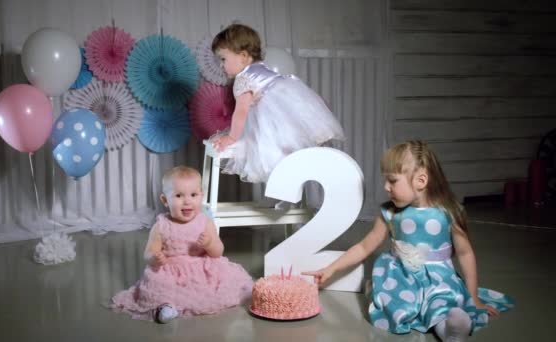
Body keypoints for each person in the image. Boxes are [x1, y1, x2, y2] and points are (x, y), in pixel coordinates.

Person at [302, 140, 514, 341]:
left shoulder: (448, 212)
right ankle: (390, 297)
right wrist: (331, 269)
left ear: (421, 181)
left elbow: (466, 253)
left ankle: (451, 328)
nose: (386, 187)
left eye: (392, 180)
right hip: (400, 277)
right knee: (393, 304)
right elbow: (365, 246)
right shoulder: (390, 213)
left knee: (441, 304)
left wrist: (474, 296)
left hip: (438, 279)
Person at [111, 166, 253, 323]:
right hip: (172, 270)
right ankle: (166, 307)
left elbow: (218, 252)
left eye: (193, 195)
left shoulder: (205, 222)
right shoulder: (161, 226)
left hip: (202, 267)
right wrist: (155, 258)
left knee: (220, 279)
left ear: (201, 196)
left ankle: (231, 293)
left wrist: (209, 244)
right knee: (160, 284)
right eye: (178, 195)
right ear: (165, 200)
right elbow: (149, 252)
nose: (187, 201)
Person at [210, 23, 345, 184]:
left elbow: (241, 112)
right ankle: (289, 181)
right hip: (288, 112)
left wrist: (232, 138)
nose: (221, 65)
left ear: (243, 56)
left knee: (267, 147)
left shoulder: (243, 79)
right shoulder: (261, 68)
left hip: (273, 118)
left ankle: (281, 183)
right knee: (283, 139)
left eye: (223, 59)